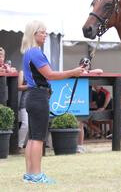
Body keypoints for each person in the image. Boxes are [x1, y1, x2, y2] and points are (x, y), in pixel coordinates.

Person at [20, 20, 84, 184]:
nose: (45, 34)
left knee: (33, 137)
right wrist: (73, 72)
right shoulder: (36, 53)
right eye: (43, 32)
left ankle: (30, 174)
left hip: (32, 96)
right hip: (39, 97)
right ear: (35, 33)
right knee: (38, 138)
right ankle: (36, 175)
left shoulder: (28, 52)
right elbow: (50, 75)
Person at [18, 70, 28, 151]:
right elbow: (19, 87)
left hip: (37, 101)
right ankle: (19, 145)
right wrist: (31, 86)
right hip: (25, 102)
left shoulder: (39, 71)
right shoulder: (22, 72)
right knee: (26, 124)